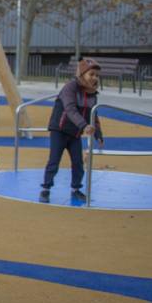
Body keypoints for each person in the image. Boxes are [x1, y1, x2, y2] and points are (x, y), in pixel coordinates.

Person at [40, 57, 104, 203]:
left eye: (97, 75)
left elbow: (93, 115)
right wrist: (84, 126)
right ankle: (46, 189)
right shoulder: (70, 87)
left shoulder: (93, 94)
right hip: (60, 130)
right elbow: (70, 109)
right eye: (91, 74)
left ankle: (76, 189)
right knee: (54, 161)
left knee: (78, 163)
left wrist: (98, 134)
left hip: (75, 133)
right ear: (82, 74)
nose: (95, 78)